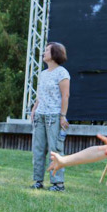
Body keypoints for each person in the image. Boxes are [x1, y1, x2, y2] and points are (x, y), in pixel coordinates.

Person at [30, 42, 71, 192]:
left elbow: (65, 95)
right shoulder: (43, 73)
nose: (43, 53)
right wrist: (34, 110)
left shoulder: (62, 73)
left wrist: (62, 116)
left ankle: (58, 183)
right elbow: (39, 96)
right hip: (40, 115)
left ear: (55, 54)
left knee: (55, 150)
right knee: (38, 149)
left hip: (54, 116)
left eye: (47, 50)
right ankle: (38, 181)